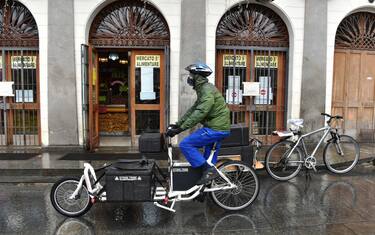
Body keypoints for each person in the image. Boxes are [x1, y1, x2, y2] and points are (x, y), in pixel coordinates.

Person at [166, 63, 230, 185]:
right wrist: (178, 124)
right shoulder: (204, 90)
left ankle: (210, 171)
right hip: (216, 127)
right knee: (207, 160)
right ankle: (204, 188)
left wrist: (181, 129)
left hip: (216, 129)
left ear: (197, 77)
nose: (189, 77)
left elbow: (200, 112)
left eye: (191, 75)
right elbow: (193, 110)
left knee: (185, 144)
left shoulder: (206, 90)